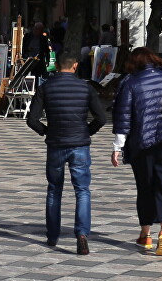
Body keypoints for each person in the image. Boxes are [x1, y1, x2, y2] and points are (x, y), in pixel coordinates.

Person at [111, 47, 162, 257]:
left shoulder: (130, 82)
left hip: (142, 143)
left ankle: (145, 235)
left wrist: (117, 146)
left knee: (145, 187)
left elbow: (123, 116)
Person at [26, 55, 106, 255]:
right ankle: (81, 235)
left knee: (54, 190)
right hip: (79, 144)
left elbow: (32, 119)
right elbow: (102, 117)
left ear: (57, 67)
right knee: (82, 190)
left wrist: (45, 131)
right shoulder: (86, 88)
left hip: (55, 144)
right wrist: (88, 131)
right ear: (76, 66)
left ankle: (53, 235)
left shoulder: (46, 87)